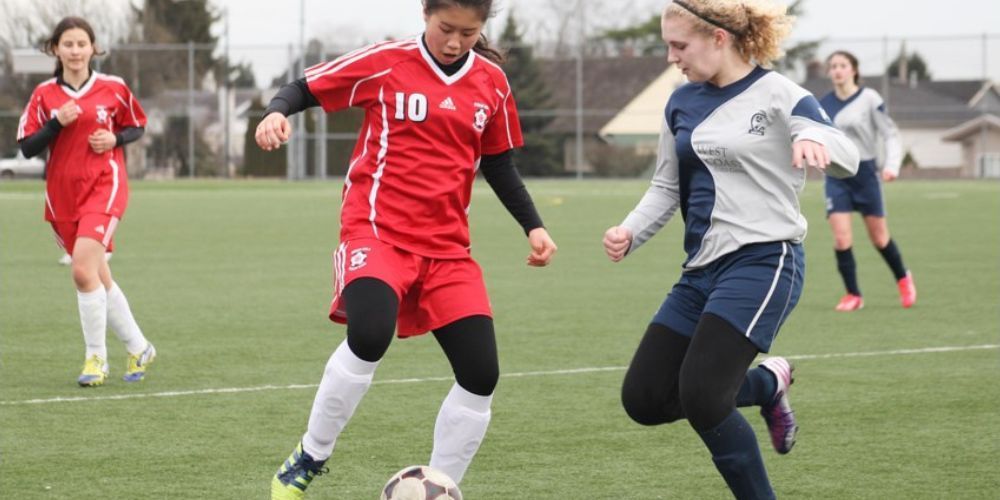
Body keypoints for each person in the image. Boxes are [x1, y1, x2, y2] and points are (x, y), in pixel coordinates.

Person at [255, 1, 557, 498]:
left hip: (447, 248)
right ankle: (310, 455)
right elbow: (303, 88)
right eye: (446, 29)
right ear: (425, 13)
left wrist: (534, 226)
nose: (456, 41)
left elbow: (498, 164)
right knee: (370, 333)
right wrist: (274, 114)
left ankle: (440, 487)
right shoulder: (385, 62)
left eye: (468, 32)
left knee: (481, 375)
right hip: (377, 230)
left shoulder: (492, 83)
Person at [602, 1, 859, 498]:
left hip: (765, 260)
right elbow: (665, 186)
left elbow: (845, 152)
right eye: (667, 46)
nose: (671, 57)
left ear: (719, 39)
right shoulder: (680, 102)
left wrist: (811, 136)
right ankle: (766, 385)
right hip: (700, 271)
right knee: (645, 399)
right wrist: (631, 231)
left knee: (703, 396)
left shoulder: (783, 94)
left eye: (679, 45)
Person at [16, 17, 156, 387]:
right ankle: (140, 347)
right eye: (68, 44)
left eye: (82, 44)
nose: (75, 51)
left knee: (81, 270)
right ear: (55, 49)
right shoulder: (44, 95)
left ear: (94, 48)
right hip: (62, 195)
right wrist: (55, 123)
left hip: (104, 187)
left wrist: (115, 140)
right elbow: (28, 147)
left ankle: (96, 359)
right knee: (95, 273)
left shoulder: (113, 87)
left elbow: (137, 124)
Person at [820, 50, 916, 312]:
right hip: (836, 175)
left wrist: (892, 165)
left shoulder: (869, 98)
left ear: (854, 70)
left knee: (880, 238)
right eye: (833, 66)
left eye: (843, 65)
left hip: (865, 174)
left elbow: (890, 134)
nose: (837, 70)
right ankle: (853, 295)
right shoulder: (823, 104)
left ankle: (903, 278)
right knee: (841, 238)